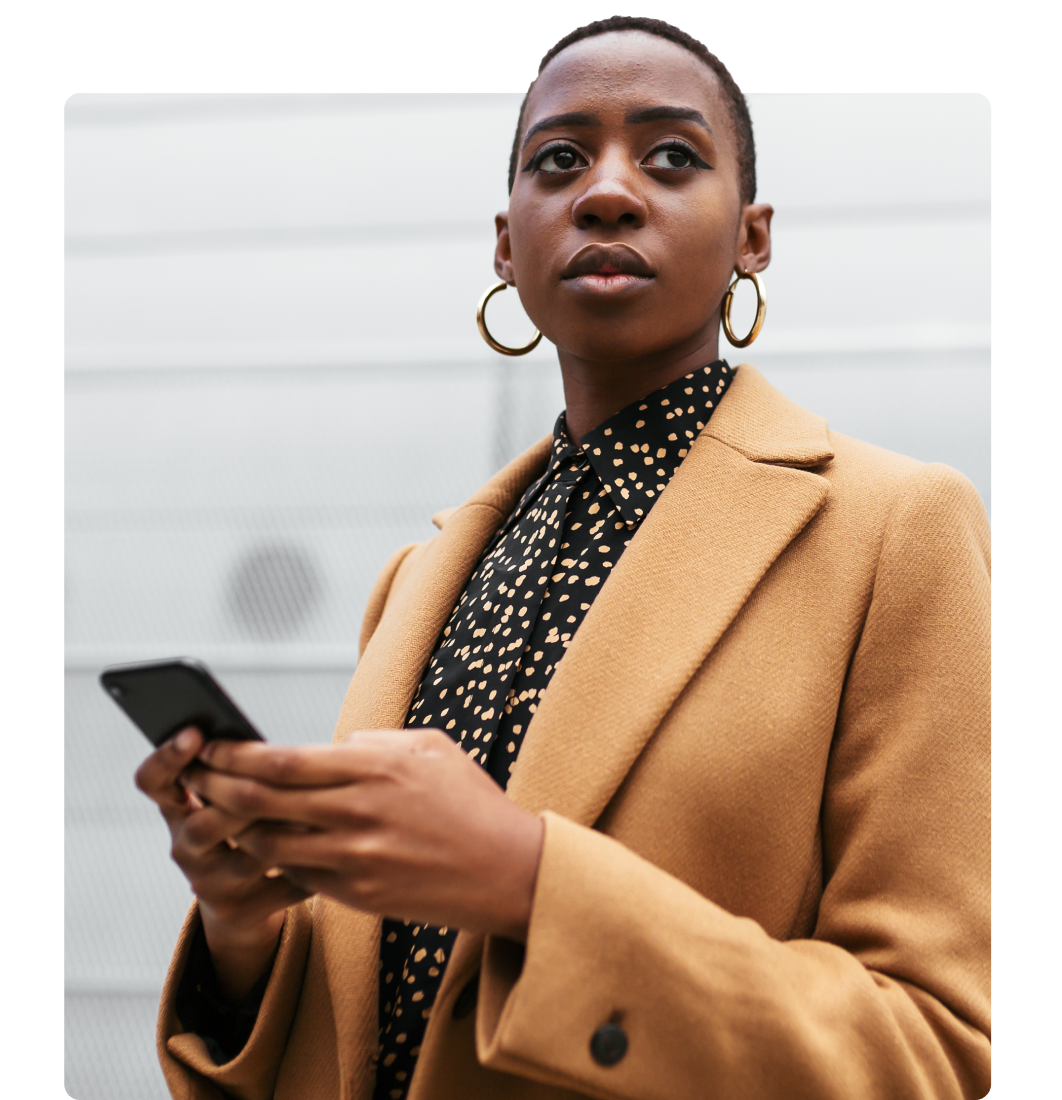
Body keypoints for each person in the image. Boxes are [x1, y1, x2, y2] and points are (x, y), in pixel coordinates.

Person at [135, 18, 992, 1100]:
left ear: (752, 236)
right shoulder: (422, 574)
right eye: (560, 159)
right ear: (505, 243)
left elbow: (941, 1049)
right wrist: (245, 924)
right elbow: (384, 1015)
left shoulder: (893, 528)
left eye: (672, 156)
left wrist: (532, 884)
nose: (608, 191)